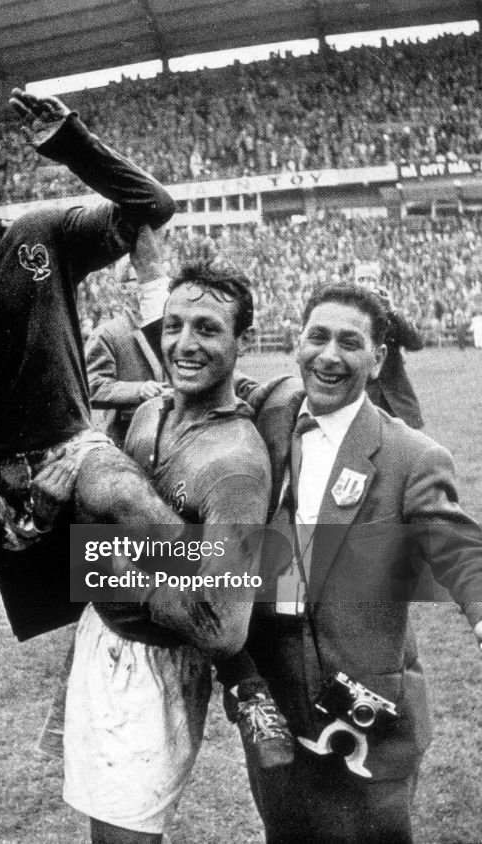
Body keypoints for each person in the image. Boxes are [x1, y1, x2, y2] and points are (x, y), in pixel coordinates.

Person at [0, 90, 187, 643]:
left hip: (70, 450)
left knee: (128, 506)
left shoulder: (43, 235)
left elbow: (153, 207)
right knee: (78, 624)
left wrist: (75, 146)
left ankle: (254, 638)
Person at [239, 283, 482, 844]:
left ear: (377, 361)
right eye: (316, 337)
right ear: (295, 344)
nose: (329, 355)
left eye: (350, 343)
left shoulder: (411, 455)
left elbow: (455, 544)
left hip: (371, 717)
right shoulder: (269, 412)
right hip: (277, 714)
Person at [64, 263, 271, 843]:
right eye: (174, 325)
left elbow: (225, 628)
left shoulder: (235, 466)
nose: (183, 343)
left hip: (156, 670)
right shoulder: (153, 409)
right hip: (102, 641)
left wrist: (112, 567)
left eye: (207, 328)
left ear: (241, 343)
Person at [85, 226, 168, 446]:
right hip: (126, 441)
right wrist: (138, 390)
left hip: (168, 437)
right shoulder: (107, 334)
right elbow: (91, 385)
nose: (145, 283)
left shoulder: (170, 328)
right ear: (122, 288)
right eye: (136, 279)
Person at [365, 287, 424, 429]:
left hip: (397, 397)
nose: (366, 284)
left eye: (370, 279)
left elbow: (416, 343)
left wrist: (392, 309)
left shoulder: (390, 317)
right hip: (365, 397)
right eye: (362, 279)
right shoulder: (349, 313)